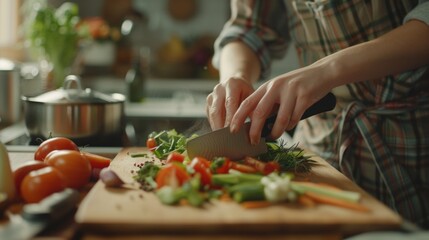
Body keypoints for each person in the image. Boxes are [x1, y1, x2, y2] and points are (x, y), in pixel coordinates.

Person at [206, 0, 429, 228]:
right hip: (322, 155)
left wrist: (328, 69)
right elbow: (248, 28)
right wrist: (235, 75)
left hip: (414, 144)